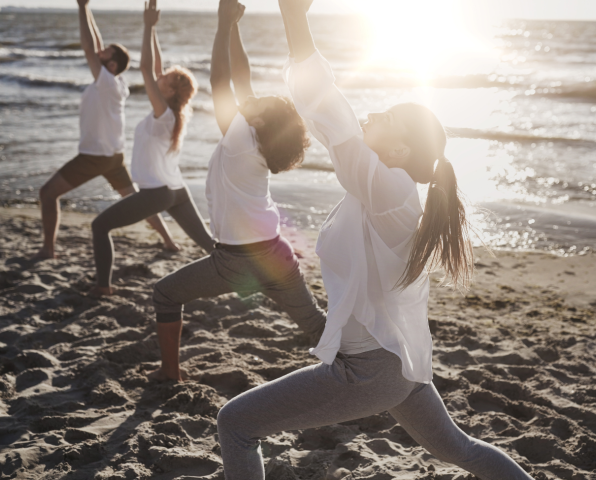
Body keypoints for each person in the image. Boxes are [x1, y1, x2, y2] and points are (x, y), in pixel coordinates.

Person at [213, 0, 535, 479]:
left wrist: (296, 19)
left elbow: (329, 112)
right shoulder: (383, 192)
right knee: (461, 450)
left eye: (385, 117)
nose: (371, 115)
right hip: (397, 362)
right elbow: (331, 124)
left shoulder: (392, 190)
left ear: (401, 149)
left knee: (235, 422)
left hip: (369, 369)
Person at [147, 0, 326, 382]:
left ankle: (169, 374)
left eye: (257, 102)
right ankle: (364, 367)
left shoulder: (240, 138)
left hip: (237, 261)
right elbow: (241, 79)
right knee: (314, 324)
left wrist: (221, 24)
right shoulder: (257, 138)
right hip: (277, 253)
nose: (251, 98)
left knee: (165, 295)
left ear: (259, 119)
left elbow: (220, 83)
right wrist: (234, 27)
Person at [32, 0, 179, 260]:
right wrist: (87, 7)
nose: (99, 54)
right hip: (113, 156)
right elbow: (96, 47)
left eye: (105, 54)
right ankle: (168, 241)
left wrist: (79, 8)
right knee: (138, 201)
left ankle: (48, 249)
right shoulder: (114, 82)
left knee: (47, 193)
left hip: (95, 156)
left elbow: (89, 47)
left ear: (111, 65)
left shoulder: (107, 82)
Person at [87, 0, 215, 297]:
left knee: (99, 227)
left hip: (157, 193)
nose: (160, 76)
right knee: (208, 243)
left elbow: (146, 68)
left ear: (168, 91)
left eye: (166, 78)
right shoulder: (172, 112)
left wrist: (146, 26)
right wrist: (153, 27)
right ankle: (250, 274)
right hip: (175, 188)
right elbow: (155, 67)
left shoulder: (163, 114)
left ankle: (103, 287)